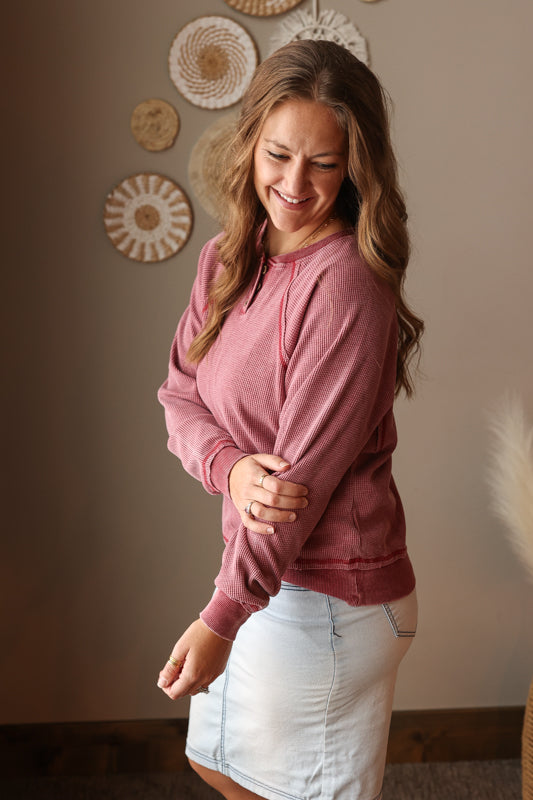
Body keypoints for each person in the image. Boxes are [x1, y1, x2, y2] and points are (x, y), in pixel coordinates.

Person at [156, 39, 424, 800]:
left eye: (324, 164)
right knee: (216, 764)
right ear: (250, 144)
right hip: (264, 578)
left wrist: (221, 618)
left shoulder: (344, 286)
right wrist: (230, 466)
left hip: (328, 598)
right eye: (278, 154)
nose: (295, 184)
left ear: (355, 169)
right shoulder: (228, 256)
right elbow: (178, 396)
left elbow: (293, 491)